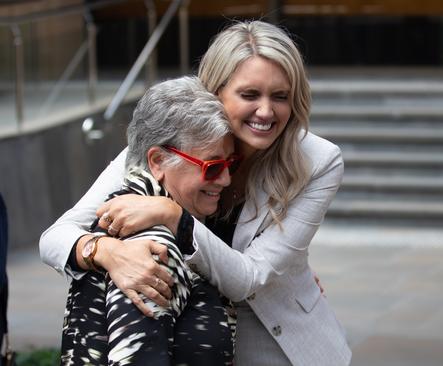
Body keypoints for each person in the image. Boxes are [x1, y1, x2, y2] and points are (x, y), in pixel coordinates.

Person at [40, 20, 351, 365]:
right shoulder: (169, 145)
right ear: (216, 93)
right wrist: (107, 251)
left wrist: (174, 217)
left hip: (276, 340)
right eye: (249, 95)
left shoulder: (318, 161)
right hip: (187, 338)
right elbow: (55, 237)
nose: (266, 111)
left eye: (280, 97)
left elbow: (250, 277)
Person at [59, 76, 237, 365]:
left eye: (231, 164)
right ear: (158, 161)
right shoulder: (151, 244)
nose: (227, 179)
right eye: (213, 166)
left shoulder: (142, 217)